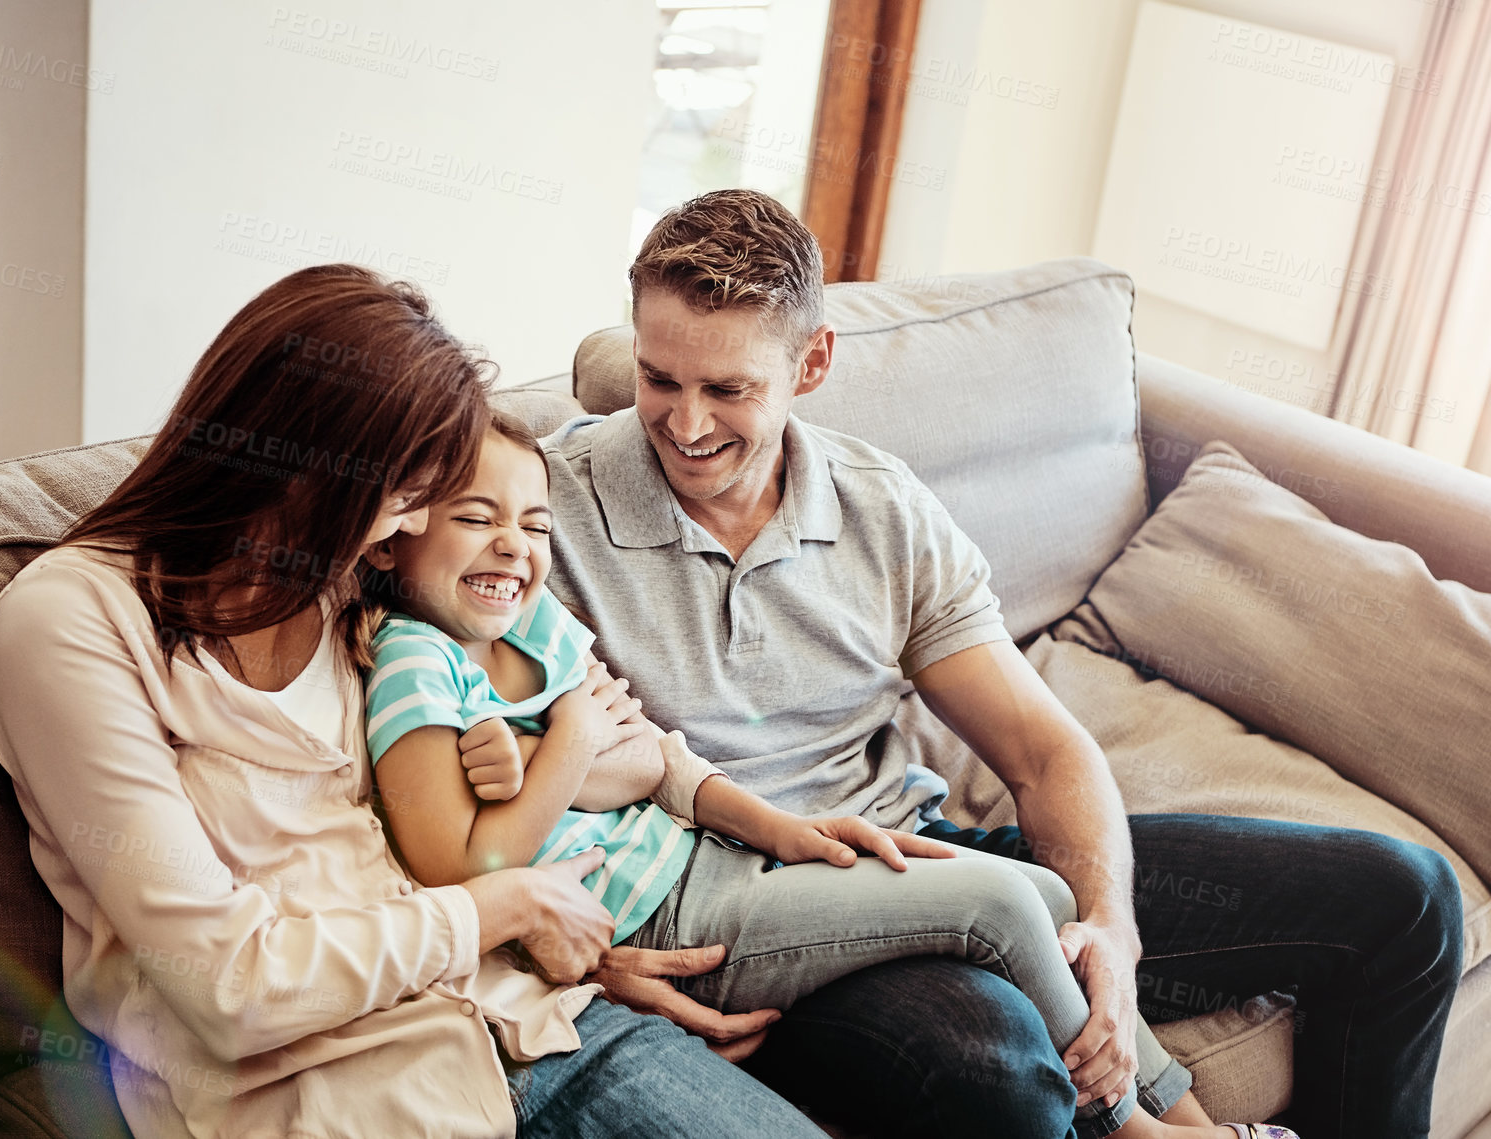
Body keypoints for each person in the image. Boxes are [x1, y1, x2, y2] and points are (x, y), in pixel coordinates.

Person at [535, 189, 1465, 1139]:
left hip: (919, 856)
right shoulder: (538, 514)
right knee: (1000, 1077)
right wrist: (582, 955)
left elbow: (1041, 752)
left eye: (729, 390)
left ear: (812, 362)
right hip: (753, 926)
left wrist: (1111, 925)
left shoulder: (879, 509)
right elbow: (440, 790)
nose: (686, 425)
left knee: (1406, 902)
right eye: (659, 379)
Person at [0, 264, 836, 1139]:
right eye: (400, 493)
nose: (406, 526)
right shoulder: (73, 620)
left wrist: (580, 945)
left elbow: (592, 735)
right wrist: (508, 906)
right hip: (327, 1090)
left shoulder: (356, 582)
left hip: (533, 1014)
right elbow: (228, 985)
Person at [360, 413, 1275, 1139]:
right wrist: (566, 742)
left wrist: (779, 829)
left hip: (719, 857)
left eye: (534, 524)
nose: (514, 547)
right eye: (476, 518)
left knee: (1044, 887)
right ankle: (1140, 1132)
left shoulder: (533, 625)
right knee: (997, 905)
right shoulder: (414, 661)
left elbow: (656, 759)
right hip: (670, 917)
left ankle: (1186, 1115)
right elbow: (464, 873)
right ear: (392, 537)